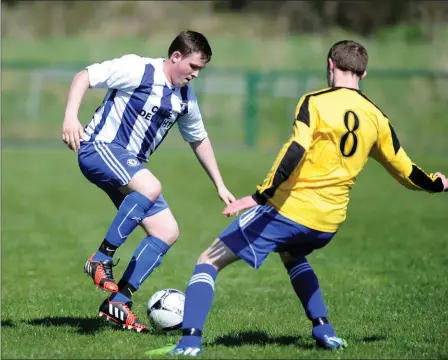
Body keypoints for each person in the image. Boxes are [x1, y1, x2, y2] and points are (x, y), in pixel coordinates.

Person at [146, 39, 448, 356]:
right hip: (328, 223)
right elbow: (407, 170)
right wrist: (437, 184)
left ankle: (189, 342)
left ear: (330, 64)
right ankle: (324, 330)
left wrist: (260, 195)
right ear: (364, 73)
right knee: (292, 255)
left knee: (208, 261)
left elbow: (296, 150)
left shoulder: (314, 102)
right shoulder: (377, 118)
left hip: (289, 211)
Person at [61, 30, 235, 333]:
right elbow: (84, 75)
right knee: (151, 187)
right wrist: (70, 118)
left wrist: (219, 185)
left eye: (200, 70)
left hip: (129, 166)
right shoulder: (138, 69)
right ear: (176, 56)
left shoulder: (184, 97)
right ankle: (100, 258)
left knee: (167, 231)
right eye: (192, 67)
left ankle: (120, 301)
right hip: (99, 147)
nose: (195, 75)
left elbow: (199, 139)